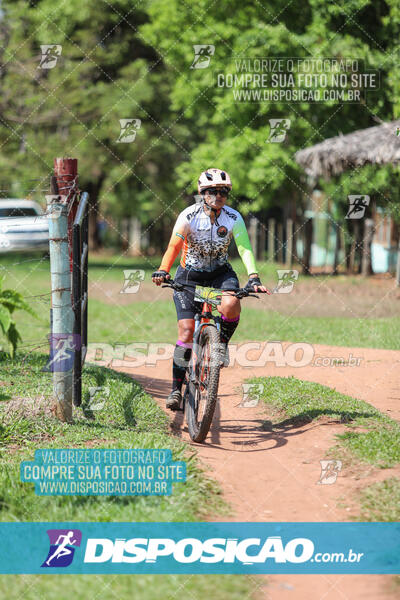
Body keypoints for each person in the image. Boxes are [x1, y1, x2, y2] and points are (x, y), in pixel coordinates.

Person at [152, 168, 269, 410]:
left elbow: (244, 248)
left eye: (224, 192)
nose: (219, 196)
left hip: (220, 274)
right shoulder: (189, 215)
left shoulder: (233, 217)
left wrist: (254, 276)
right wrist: (163, 269)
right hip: (189, 275)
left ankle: (220, 344)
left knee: (231, 304)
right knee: (185, 332)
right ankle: (176, 390)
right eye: (213, 191)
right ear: (202, 193)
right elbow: (174, 246)